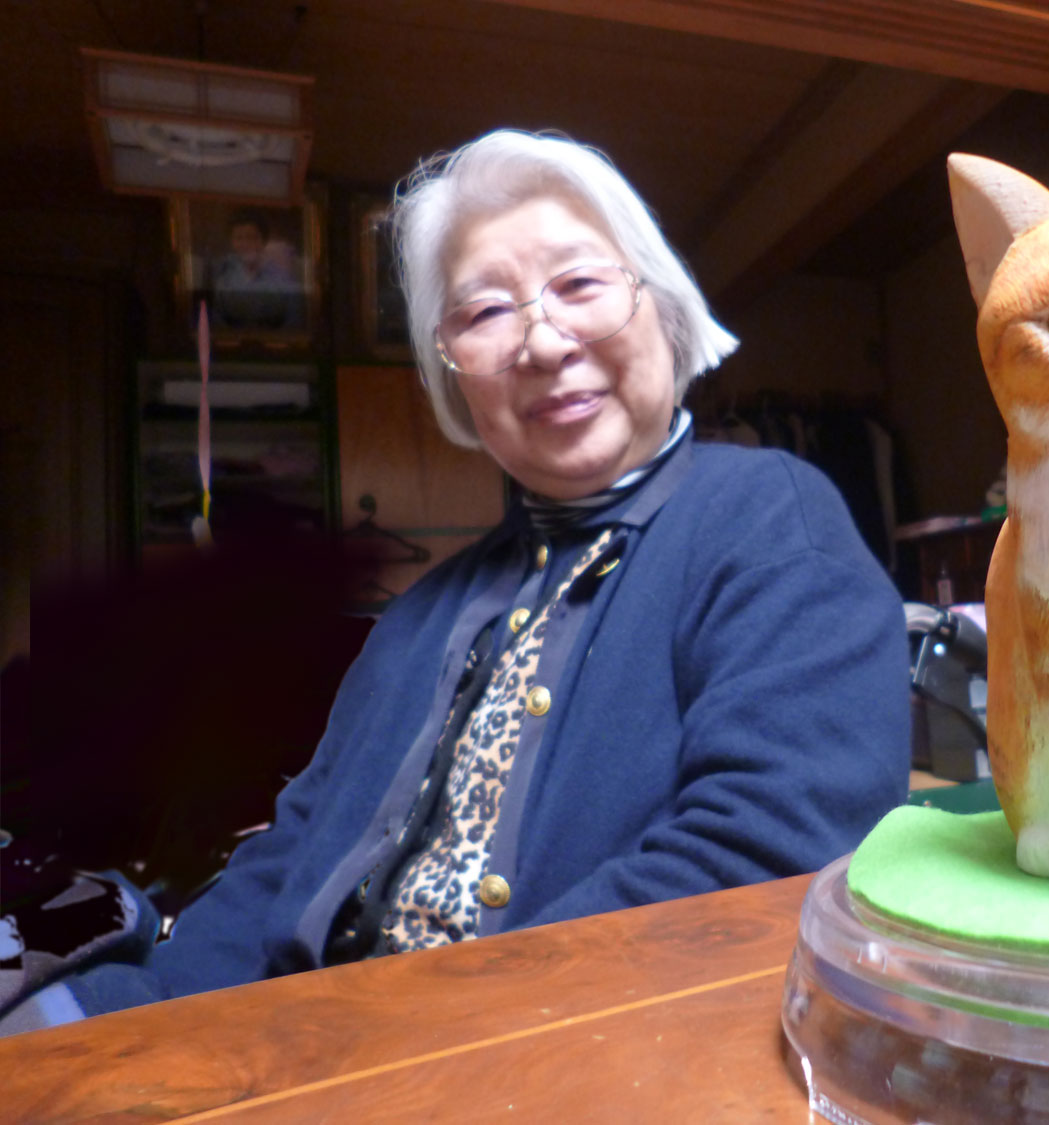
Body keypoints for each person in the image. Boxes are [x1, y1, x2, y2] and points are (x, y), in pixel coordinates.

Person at [0, 130, 911, 1031]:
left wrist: (417, 1032)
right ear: (457, 378)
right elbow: (294, 854)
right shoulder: (418, 617)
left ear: (661, 306)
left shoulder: (767, 514)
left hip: (539, 1056)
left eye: (579, 284)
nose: (543, 342)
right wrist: (138, 1027)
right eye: (485, 313)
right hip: (308, 1041)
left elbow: (768, 852)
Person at [211, 209, 303, 330]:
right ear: (232, 242)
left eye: (252, 237)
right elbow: (217, 321)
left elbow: (294, 323)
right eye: (239, 238)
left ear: (263, 241)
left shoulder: (285, 280)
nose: (245, 244)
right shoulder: (223, 279)